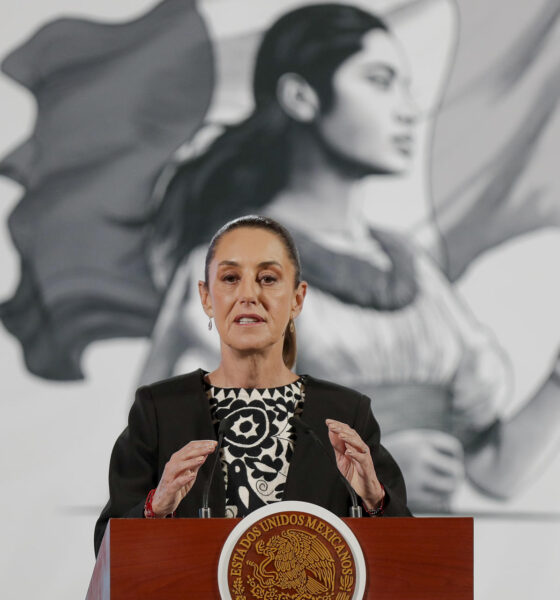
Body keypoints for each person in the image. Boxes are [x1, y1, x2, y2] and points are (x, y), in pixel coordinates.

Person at [139, 3, 560, 513]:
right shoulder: (235, 268)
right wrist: (357, 469)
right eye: (380, 81)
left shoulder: (415, 272)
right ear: (302, 96)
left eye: (406, 86)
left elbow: (494, 471)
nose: (408, 109)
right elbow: (175, 465)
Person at [94, 215, 411, 556]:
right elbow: (108, 551)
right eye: (230, 278)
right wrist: (156, 507)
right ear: (205, 297)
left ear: (297, 299)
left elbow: (407, 555)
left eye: (268, 278)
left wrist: (375, 500)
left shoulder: (347, 414)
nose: (248, 294)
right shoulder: (159, 411)